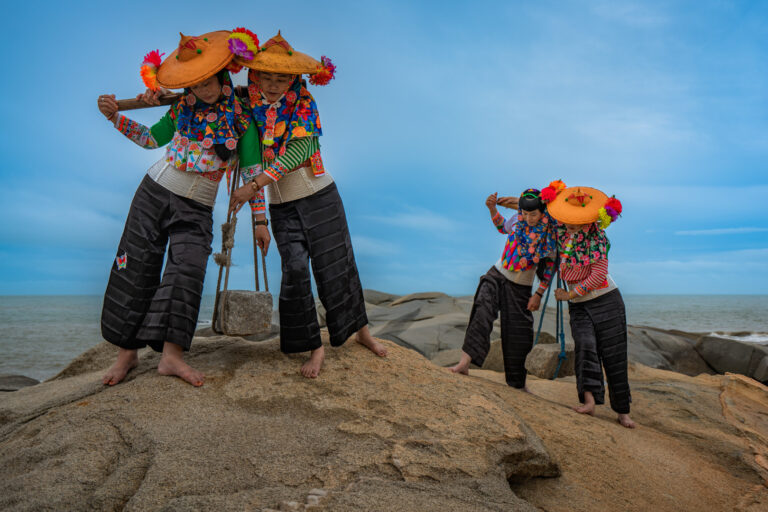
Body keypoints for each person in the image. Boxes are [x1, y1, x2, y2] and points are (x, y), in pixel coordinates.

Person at [97, 30, 263, 387]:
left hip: (197, 206)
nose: (202, 90)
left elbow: (252, 173)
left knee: (187, 270)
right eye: (196, 84)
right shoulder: (180, 106)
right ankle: (127, 353)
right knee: (136, 266)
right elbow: (150, 140)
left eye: (209, 83)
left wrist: (260, 219)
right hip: (153, 192)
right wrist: (116, 118)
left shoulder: (243, 119)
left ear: (223, 76)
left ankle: (171, 356)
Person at [226, 31, 387, 378]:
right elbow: (214, 107)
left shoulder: (304, 103)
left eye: (281, 78)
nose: (273, 84)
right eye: (267, 76)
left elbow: (299, 151)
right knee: (295, 271)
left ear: (293, 78)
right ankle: (315, 348)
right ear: (254, 74)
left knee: (338, 266)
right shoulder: (243, 104)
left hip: (321, 196)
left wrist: (253, 186)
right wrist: (260, 220)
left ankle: (362, 334)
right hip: (282, 207)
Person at [542, 180, 635, 428]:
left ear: (587, 220)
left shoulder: (598, 239)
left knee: (614, 354)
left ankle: (623, 411)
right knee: (585, 346)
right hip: (580, 305)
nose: (570, 224)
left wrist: (569, 295)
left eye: (576, 220)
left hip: (607, 301)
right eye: (567, 218)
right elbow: (541, 216)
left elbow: (598, 275)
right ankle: (589, 401)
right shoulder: (561, 231)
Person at [450, 189, 556, 391]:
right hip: (498, 273)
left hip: (522, 287)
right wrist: (492, 209)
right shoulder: (517, 220)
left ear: (542, 212)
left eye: (533, 214)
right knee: (481, 310)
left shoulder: (550, 233)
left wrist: (539, 293)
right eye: (524, 213)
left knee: (520, 333)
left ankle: (518, 384)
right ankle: (465, 363)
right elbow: (502, 227)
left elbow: (550, 267)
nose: (528, 218)